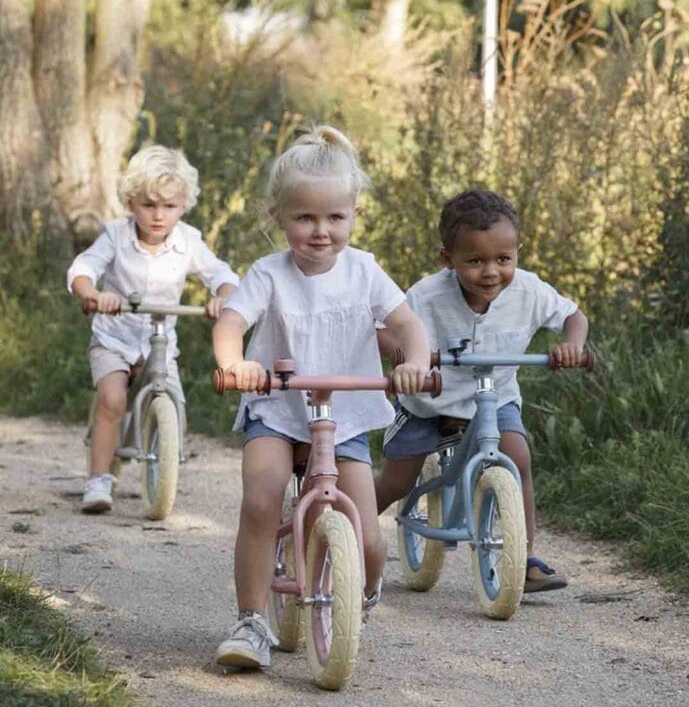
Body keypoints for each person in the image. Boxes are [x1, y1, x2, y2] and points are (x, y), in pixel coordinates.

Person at [211, 125, 430, 669]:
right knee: (262, 500)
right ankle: (251, 621)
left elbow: (407, 325)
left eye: (335, 218)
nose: (320, 231)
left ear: (354, 214)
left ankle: (359, 591)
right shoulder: (268, 273)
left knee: (368, 537)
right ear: (278, 217)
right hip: (278, 410)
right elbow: (232, 322)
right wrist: (234, 364)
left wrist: (416, 362)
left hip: (345, 415)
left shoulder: (365, 271)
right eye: (305, 218)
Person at [375, 189, 589, 593]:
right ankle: (349, 534)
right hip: (428, 401)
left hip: (494, 398)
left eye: (503, 259)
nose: (491, 271)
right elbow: (386, 331)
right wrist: (405, 361)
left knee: (518, 457)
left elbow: (573, 316)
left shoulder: (528, 290)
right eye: (474, 261)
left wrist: (571, 345)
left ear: (518, 252)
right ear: (447, 259)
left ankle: (522, 559)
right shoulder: (426, 295)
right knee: (398, 480)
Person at [67, 145, 239, 514]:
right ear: (131, 203)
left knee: (173, 404)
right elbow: (84, 268)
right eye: (148, 205)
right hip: (114, 338)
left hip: (160, 343)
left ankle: (163, 465)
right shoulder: (115, 235)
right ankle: (98, 480)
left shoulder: (188, 241)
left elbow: (222, 275)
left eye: (169, 206)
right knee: (113, 400)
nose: (158, 215)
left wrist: (222, 298)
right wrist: (94, 293)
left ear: (183, 205)